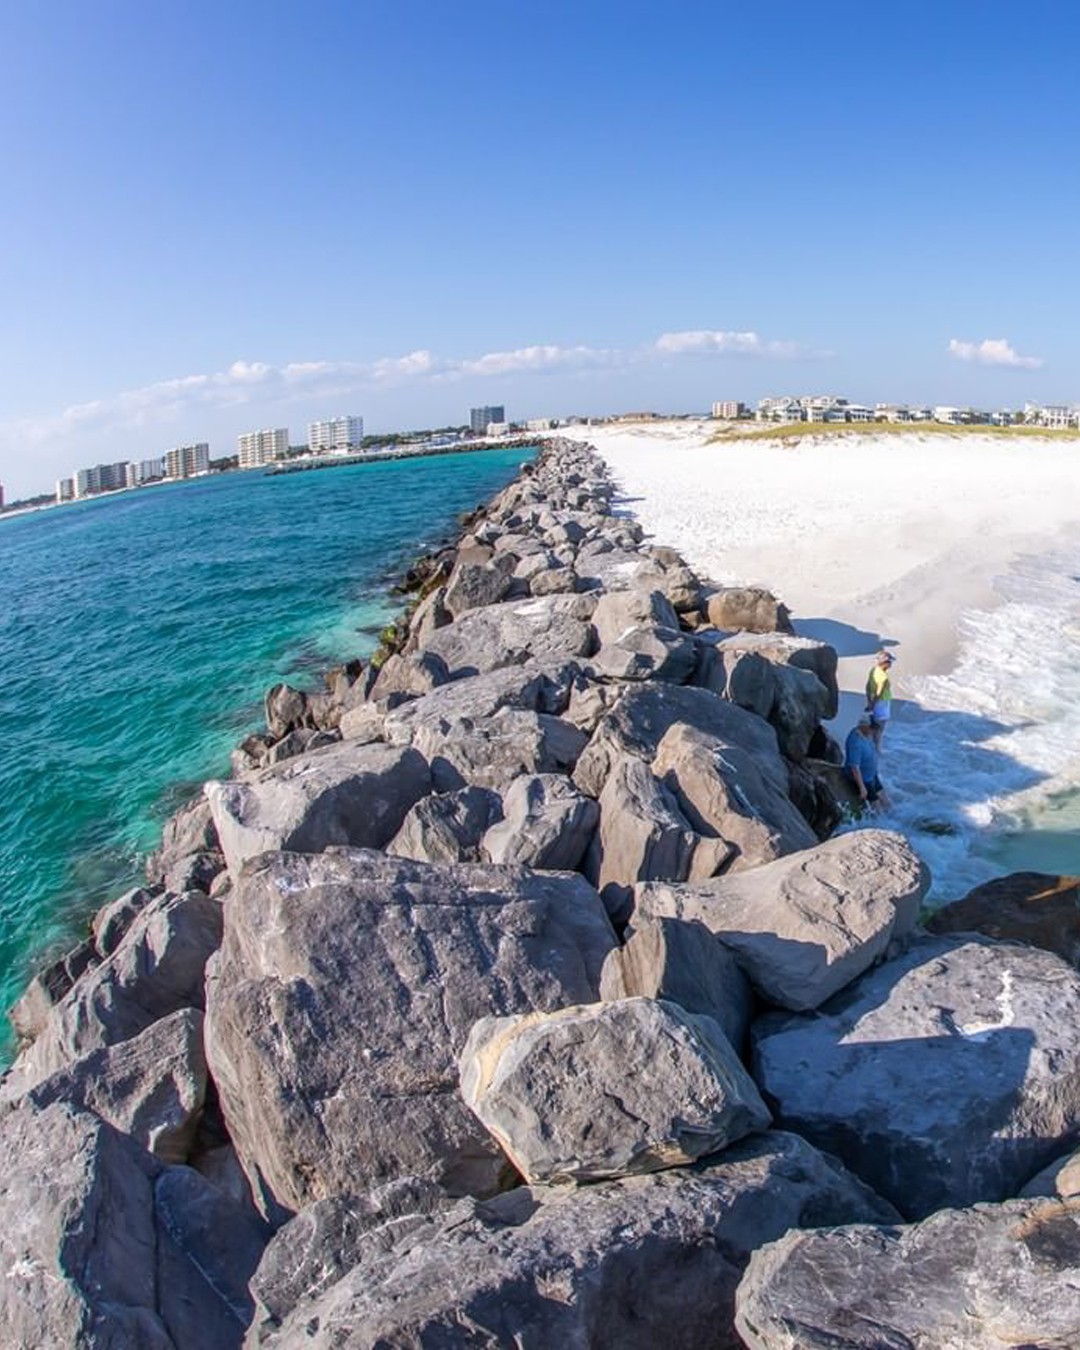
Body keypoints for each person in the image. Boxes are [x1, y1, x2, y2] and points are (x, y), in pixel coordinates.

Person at [844, 712, 888, 810]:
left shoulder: (868, 734)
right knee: (877, 808)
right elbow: (854, 767)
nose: (874, 731)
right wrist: (862, 787)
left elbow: (876, 742)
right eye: (872, 728)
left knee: (886, 802)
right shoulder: (855, 743)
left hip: (872, 775)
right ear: (864, 726)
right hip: (864, 779)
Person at [865, 649, 895, 749]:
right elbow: (880, 691)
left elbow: (868, 686)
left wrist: (869, 701)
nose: (891, 665)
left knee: (874, 724)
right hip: (881, 703)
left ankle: (873, 746)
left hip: (874, 701)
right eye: (889, 662)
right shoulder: (883, 675)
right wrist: (873, 703)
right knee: (879, 727)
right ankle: (876, 748)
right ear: (885, 662)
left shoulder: (873, 670)